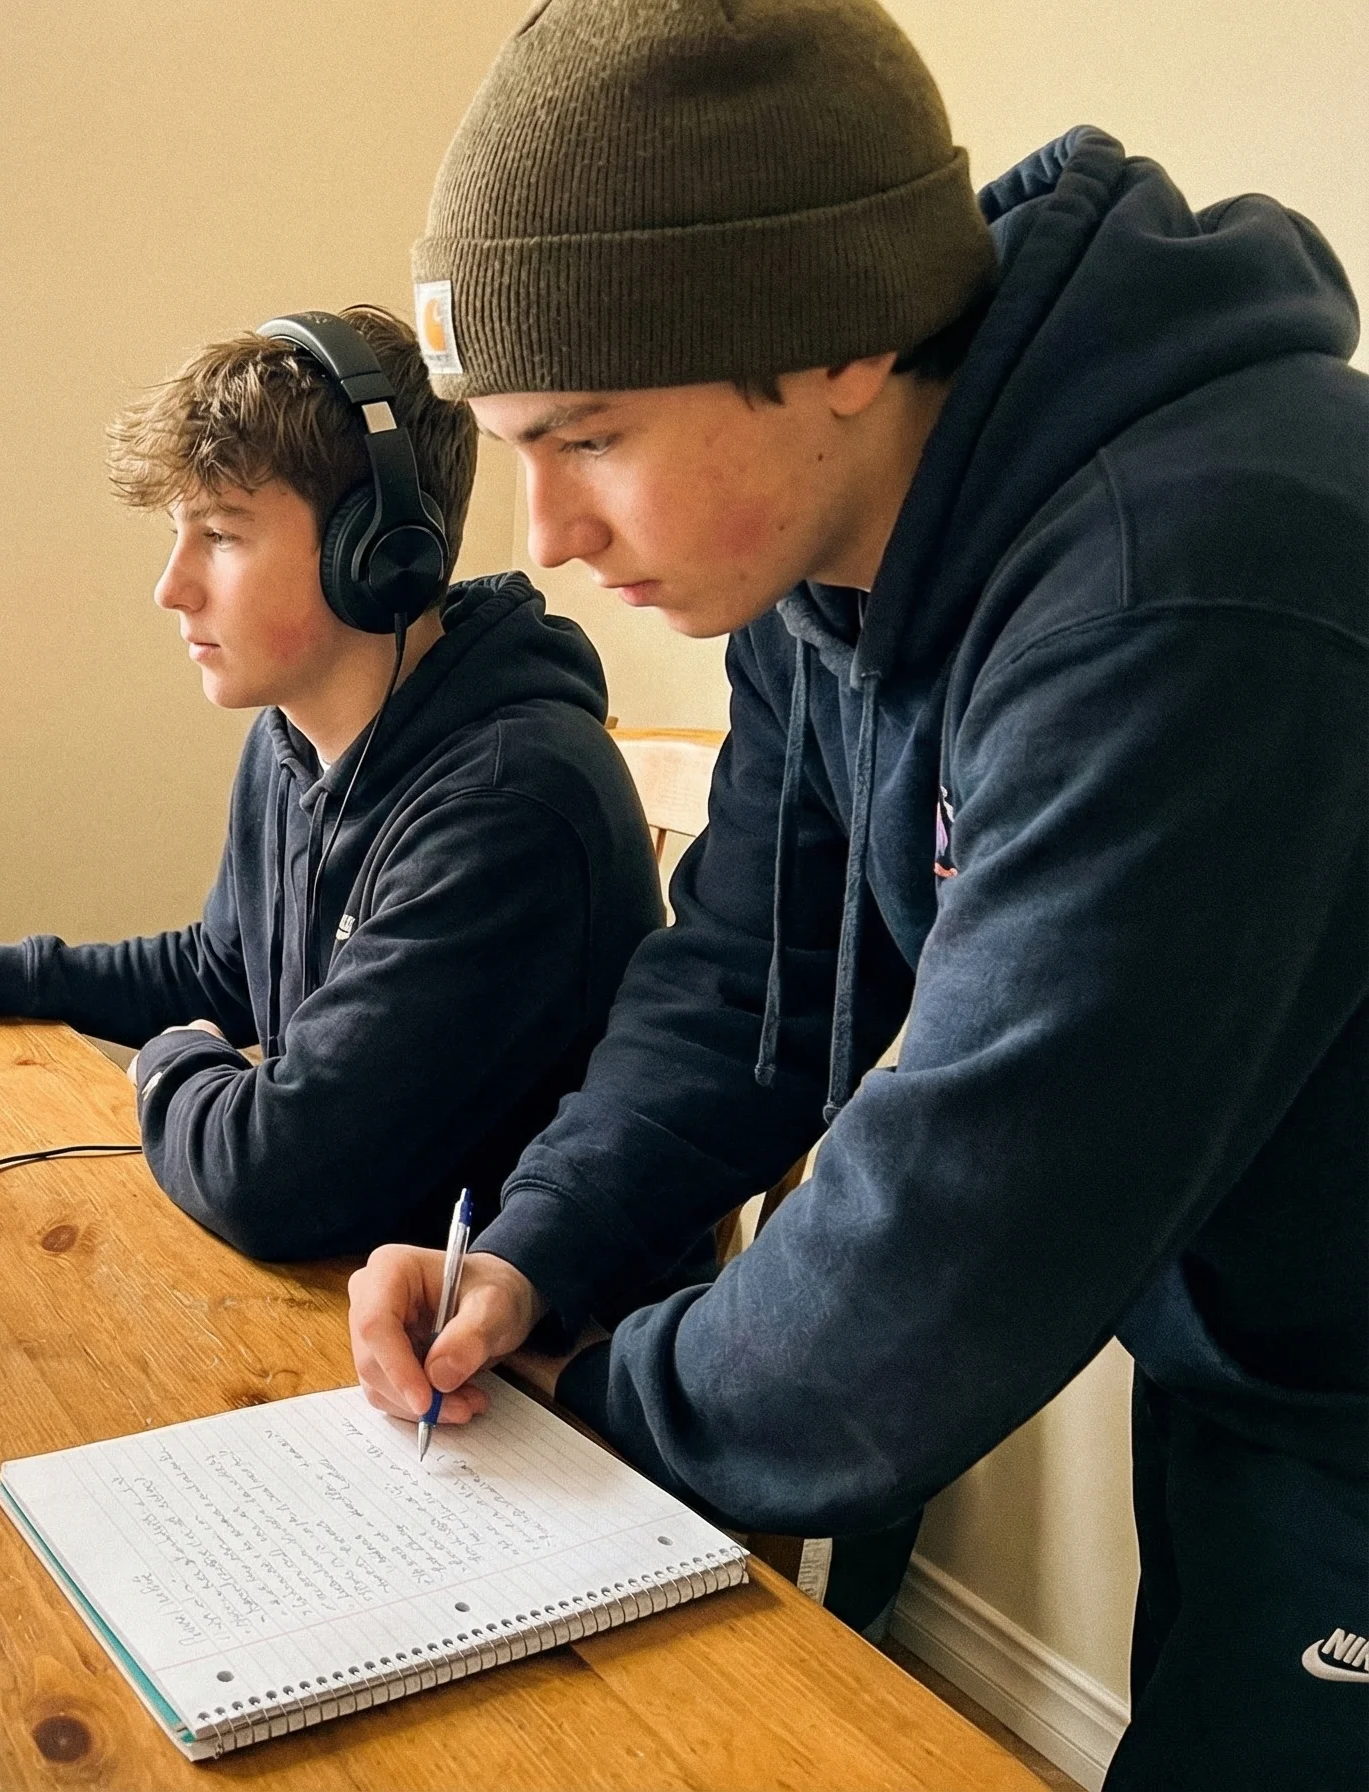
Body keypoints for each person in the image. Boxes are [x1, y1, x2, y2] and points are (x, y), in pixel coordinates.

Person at [344, 4, 1367, 1785]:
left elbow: (966, 1215)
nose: (542, 537)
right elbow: (749, 963)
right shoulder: (826, 568)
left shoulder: (1183, 592)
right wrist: (538, 1249)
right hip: (1263, 1334)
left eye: (583, 436)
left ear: (831, 343)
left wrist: (594, 1418)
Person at [0, 305, 664, 1262]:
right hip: (358, 1301)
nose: (172, 585)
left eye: (222, 535)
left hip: (528, 1363)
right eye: (177, 532)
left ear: (380, 554)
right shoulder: (297, 737)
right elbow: (221, 970)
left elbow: (273, 1178)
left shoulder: (502, 808)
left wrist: (169, 1063)